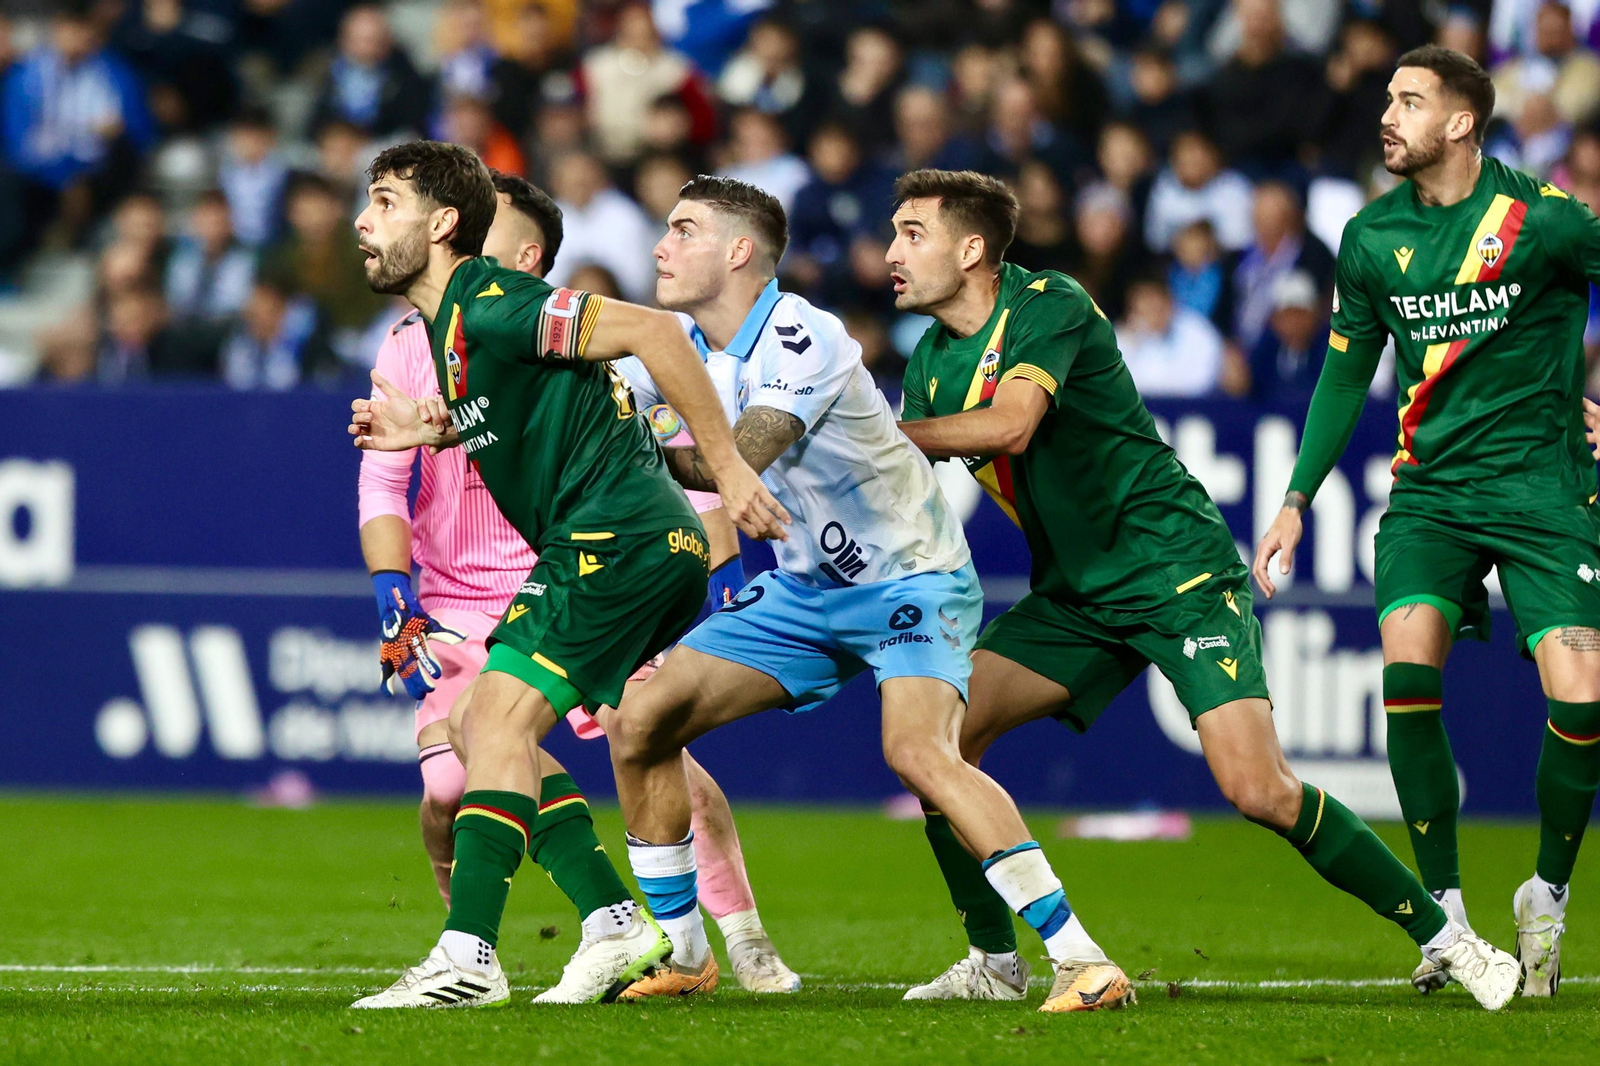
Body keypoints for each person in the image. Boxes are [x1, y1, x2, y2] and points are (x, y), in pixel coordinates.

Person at [887, 167, 1520, 1011]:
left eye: (912, 233)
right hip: (1077, 596)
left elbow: (1011, 423)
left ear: (972, 250)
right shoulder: (930, 364)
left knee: (1259, 790)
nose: (892, 252)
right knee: (939, 745)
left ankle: (1450, 939)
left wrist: (889, 438)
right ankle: (994, 963)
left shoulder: (1048, 304)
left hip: (1175, 570)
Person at [600, 176, 1103, 1014]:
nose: (661, 245)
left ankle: (1079, 957)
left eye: (683, 229)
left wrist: (637, 441)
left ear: (737, 252)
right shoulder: (679, 339)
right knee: (641, 721)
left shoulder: (804, 333)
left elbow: (737, 457)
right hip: (804, 590)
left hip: (910, 576)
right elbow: (595, 406)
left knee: (917, 753)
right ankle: (684, 950)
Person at [345, 140, 784, 1009]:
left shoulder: (497, 302)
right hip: (621, 546)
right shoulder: (452, 332)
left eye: (385, 202)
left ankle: (469, 957)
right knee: (483, 722)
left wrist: (730, 469)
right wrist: (430, 434)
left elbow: (654, 332)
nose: (364, 220)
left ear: (442, 225)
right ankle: (616, 921)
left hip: (615, 540)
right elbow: (538, 414)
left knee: (498, 715)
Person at [1254, 45, 1600, 1000]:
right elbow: (1340, 371)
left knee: (1582, 703)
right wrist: (1293, 500)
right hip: (1430, 494)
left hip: (1544, 493)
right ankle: (1445, 914)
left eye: (1411, 101)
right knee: (1408, 674)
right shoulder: (1369, 238)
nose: (1389, 114)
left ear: (1461, 123)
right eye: (1390, 98)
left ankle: (1547, 891)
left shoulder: (1548, 222)